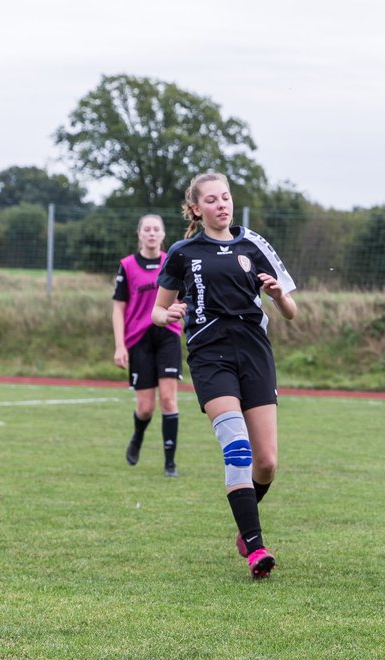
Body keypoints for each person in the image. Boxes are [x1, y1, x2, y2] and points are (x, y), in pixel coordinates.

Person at [151, 172, 298, 579]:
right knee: (237, 447)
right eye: (212, 200)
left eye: (226, 197)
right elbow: (156, 311)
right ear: (197, 208)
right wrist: (170, 314)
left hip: (254, 353)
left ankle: (244, 523)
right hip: (209, 355)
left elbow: (290, 312)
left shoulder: (254, 244)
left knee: (266, 463)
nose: (222, 205)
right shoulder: (182, 252)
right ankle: (256, 548)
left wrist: (278, 297)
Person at [112, 213, 181, 476]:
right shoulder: (127, 265)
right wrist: (120, 346)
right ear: (139, 234)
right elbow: (118, 309)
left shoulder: (172, 263)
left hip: (168, 335)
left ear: (163, 235)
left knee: (168, 399)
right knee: (145, 407)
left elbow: (184, 298)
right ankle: (138, 436)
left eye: (156, 229)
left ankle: (170, 463)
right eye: (147, 229)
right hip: (138, 339)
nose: (152, 233)